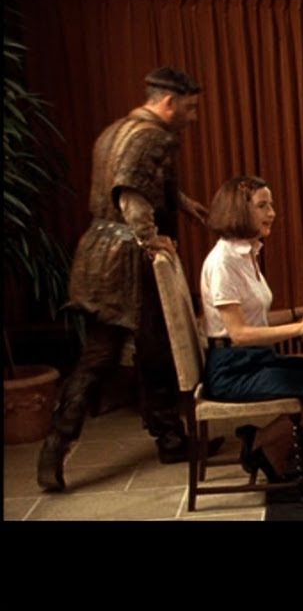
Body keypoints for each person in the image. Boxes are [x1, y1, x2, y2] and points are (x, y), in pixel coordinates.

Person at [39, 67, 213, 492]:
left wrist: (184, 204)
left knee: (114, 352)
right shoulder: (154, 137)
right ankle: (167, 438)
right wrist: (150, 239)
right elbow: (131, 194)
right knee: (144, 350)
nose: (193, 117)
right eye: (190, 108)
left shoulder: (114, 131)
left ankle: (60, 447)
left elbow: (134, 181)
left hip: (97, 252)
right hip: (129, 261)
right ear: (168, 103)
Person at [200, 175, 303, 482]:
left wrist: (302, 310)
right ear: (239, 210)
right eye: (262, 206)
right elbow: (239, 333)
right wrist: (301, 327)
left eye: (271, 205)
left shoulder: (246, 254)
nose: (272, 213)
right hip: (233, 370)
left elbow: (256, 318)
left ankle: (272, 447)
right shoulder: (223, 263)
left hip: (254, 357)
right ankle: (260, 440)